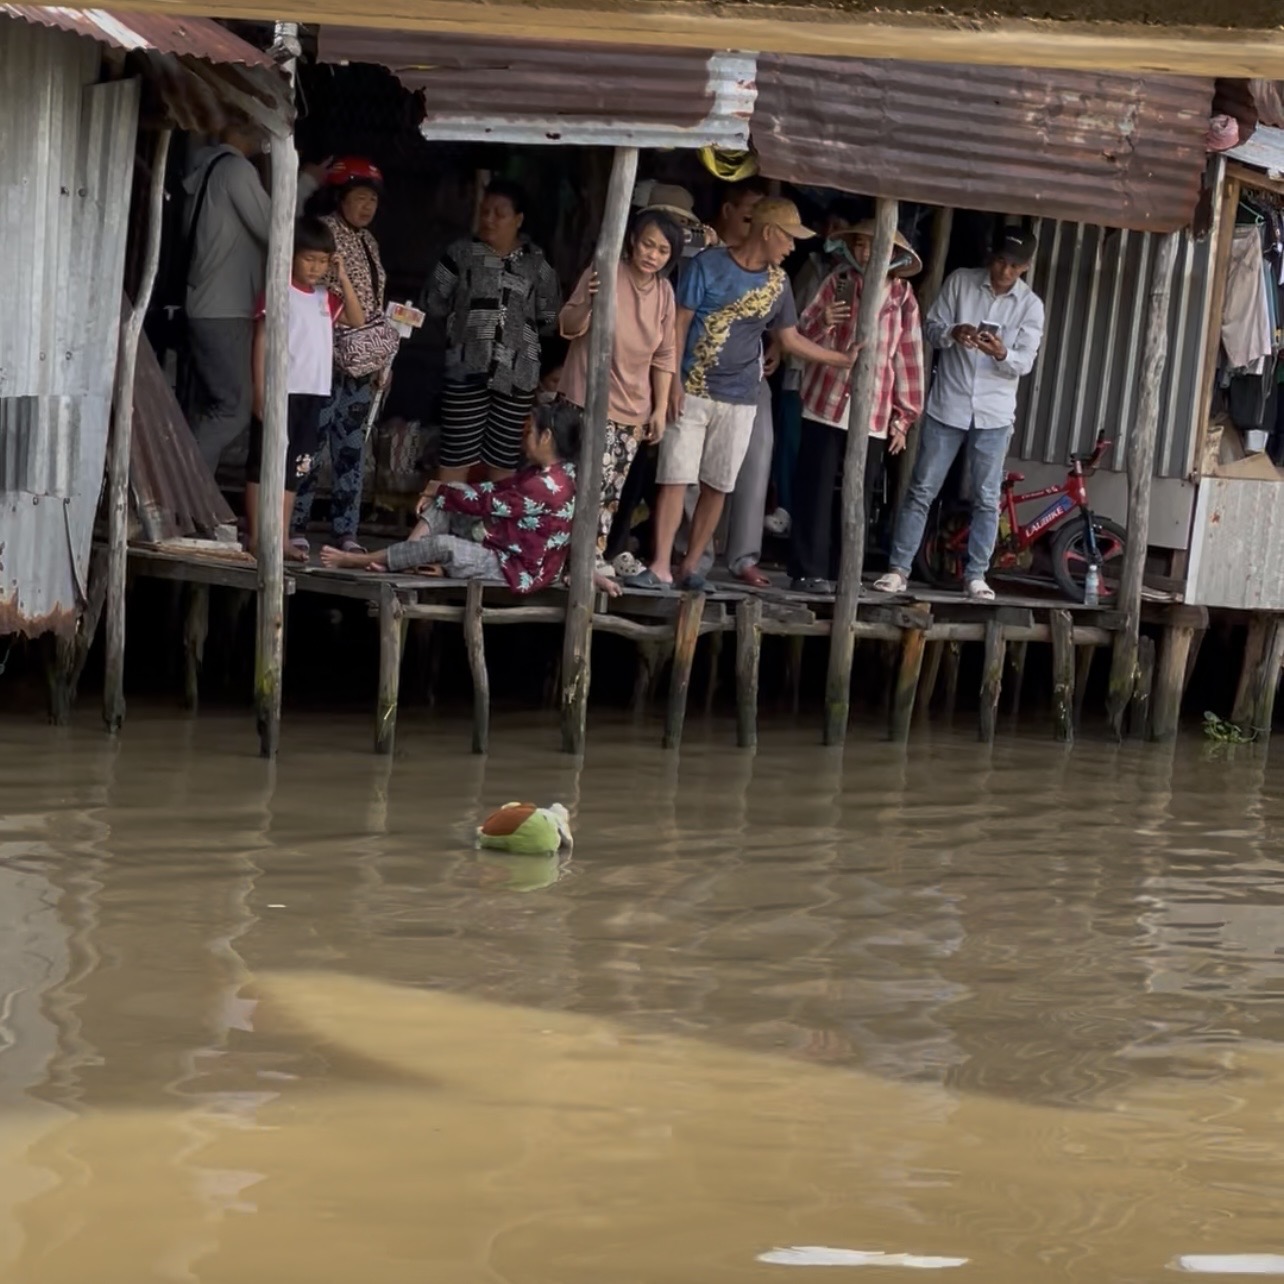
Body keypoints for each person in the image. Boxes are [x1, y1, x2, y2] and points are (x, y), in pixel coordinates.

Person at [628, 198, 861, 591]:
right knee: (674, 478)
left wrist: (841, 359)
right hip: (693, 390)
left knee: (718, 484)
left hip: (741, 396)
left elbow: (788, 339)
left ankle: (690, 568)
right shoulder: (707, 264)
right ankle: (661, 565)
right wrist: (674, 384)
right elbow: (679, 326)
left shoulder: (779, 283)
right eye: (788, 239)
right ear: (768, 232)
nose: (792, 248)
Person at [874, 228, 1046, 602]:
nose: (1004, 270)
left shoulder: (1031, 306)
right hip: (948, 405)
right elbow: (930, 330)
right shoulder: (961, 282)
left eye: (1014, 266)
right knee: (922, 489)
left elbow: (1025, 363)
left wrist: (1001, 353)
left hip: (995, 414)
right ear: (991, 256)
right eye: (1000, 260)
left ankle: (977, 576)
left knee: (987, 498)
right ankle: (898, 570)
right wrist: (955, 331)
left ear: (1026, 267)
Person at [183, 118, 327, 474]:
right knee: (233, 408)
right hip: (224, 307)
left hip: (209, 303)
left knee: (214, 406)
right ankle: (183, 495)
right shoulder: (235, 169)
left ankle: (192, 499)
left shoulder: (207, 166)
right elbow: (275, 231)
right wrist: (305, 183)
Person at [789, 220, 925, 594]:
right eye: (861, 245)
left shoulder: (902, 296)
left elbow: (908, 357)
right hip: (826, 399)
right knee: (815, 487)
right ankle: (807, 571)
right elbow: (801, 334)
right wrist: (824, 322)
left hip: (875, 410)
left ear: (894, 253)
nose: (866, 252)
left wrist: (904, 417)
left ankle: (843, 571)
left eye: (873, 245)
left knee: (858, 492)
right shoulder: (842, 281)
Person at [320, 400, 580, 594]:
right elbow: (494, 490)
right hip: (505, 547)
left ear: (546, 437)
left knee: (445, 544)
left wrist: (440, 490)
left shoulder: (547, 484)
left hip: (514, 568)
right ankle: (405, 559)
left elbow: (486, 504)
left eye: (529, 432)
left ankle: (360, 559)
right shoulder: (546, 473)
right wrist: (443, 489)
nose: (523, 439)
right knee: (455, 489)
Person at [559, 207, 681, 594]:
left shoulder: (664, 292)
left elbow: (664, 356)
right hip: (588, 397)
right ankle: (568, 558)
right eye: (648, 244)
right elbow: (568, 325)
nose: (653, 255)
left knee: (611, 492)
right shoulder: (606, 270)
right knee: (581, 485)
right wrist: (592, 303)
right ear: (632, 240)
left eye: (663, 250)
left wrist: (660, 409)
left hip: (634, 406)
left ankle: (593, 556)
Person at [421, 179, 562, 484]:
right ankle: (440, 523)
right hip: (465, 367)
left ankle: (493, 526)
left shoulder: (536, 262)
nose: (489, 219)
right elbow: (433, 302)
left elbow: (550, 317)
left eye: (499, 213)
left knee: (504, 456)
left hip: (518, 375)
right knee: (456, 452)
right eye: (485, 211)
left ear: (518, 219)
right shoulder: (460, 253)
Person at [245, 217, 364, 559]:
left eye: (323, 261)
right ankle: (256, 535)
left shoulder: (325, 297)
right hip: (280, 390)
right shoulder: (278, 290)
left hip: (313, 394)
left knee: (296, 466)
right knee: (262, 462)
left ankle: (279, 536)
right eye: (309, 259)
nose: (315, 267)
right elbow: (261, 339)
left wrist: (341, 276)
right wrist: (259, 389)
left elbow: (356, 319)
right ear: (292, 256)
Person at [291, 157, 392, 557]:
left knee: (352, 449)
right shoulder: (325, 234)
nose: (367, 207)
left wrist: (383, 360)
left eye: (373, 200)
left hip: (364, 363)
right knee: (311, 446)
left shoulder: (370, 242)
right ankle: (296, 523)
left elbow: (377, 304)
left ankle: (345, 530)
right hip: (327, 358)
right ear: (340, 196)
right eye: (360, 198)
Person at [770, 207, 848, 538]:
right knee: (788, 443)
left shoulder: (851, 277)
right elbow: (792, 316)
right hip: (798, 367)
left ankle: (808, 520)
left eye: (839, 227)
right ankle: (785, 507)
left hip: (831, 378)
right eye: (827, 225)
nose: (831, 233)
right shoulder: (811, 267)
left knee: (818, 454)